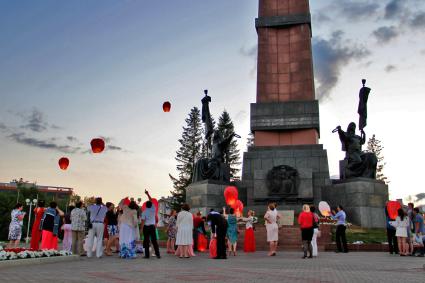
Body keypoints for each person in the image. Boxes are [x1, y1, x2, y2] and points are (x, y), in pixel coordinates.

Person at [141, 189, 160, 259]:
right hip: (152, 227)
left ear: (145, 205)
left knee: (146, 241)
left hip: (146, 227)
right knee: (154, 241)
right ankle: (158, 254)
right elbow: (151, 200)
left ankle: (147, 255)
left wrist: (141, 229)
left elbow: (143, 221)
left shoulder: (144, 212)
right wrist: (147, 194)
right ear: (151, 205)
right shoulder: (153, 209)